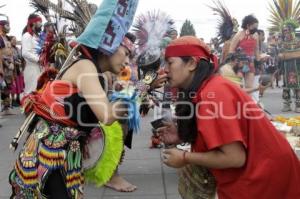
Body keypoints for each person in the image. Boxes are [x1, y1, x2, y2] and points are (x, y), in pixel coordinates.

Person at [9, 0, 139, 198]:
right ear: (110, 43)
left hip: (67, 153)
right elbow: (107, 115)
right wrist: (134, 92)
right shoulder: (86, 67)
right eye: (126, 53)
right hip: (50, 155)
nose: (128, 61)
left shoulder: (97, 72)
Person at [159, 36, 300, 199]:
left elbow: (234, 158)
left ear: (191, 63)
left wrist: (185, 157)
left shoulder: (212, 95)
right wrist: (182, 136)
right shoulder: (208, 88)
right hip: (262, 167)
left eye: (169, 63)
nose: (165, 70)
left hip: (263, 175)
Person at [229, 15, 267, 102]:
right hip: (239, 64)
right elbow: (231, 49)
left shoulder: (256, 35)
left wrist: (259, 63)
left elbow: (256, 50)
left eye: (257, 26)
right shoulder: (239, 34)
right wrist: (231, 63)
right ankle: (238, 106)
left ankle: (248, 109)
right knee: (238, 87)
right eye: (254, 26)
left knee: (249, 88)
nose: (256, 28)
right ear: (248, 25)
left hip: (250, 64)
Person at [22, 14, 43, 95]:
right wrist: (38, 59)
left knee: (38, 93)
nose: (41, 24)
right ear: (34, 23)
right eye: (40, 22)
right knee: (31, 93)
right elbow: (25, 53)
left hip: (38, 68)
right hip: (31, 68)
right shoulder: (27, 35)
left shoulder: (36, 36)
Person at [0, 19, 15, 115]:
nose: (8, 27)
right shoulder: (0, 38)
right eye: (6, 25)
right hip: (3, 66)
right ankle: (3, 107)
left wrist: (12, 63)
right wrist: (6, 64)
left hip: (10, 66)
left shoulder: (8, 38)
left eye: (9, 25)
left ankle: (7, 107)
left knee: (8, 86)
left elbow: (11, 52)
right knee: (2, 86)